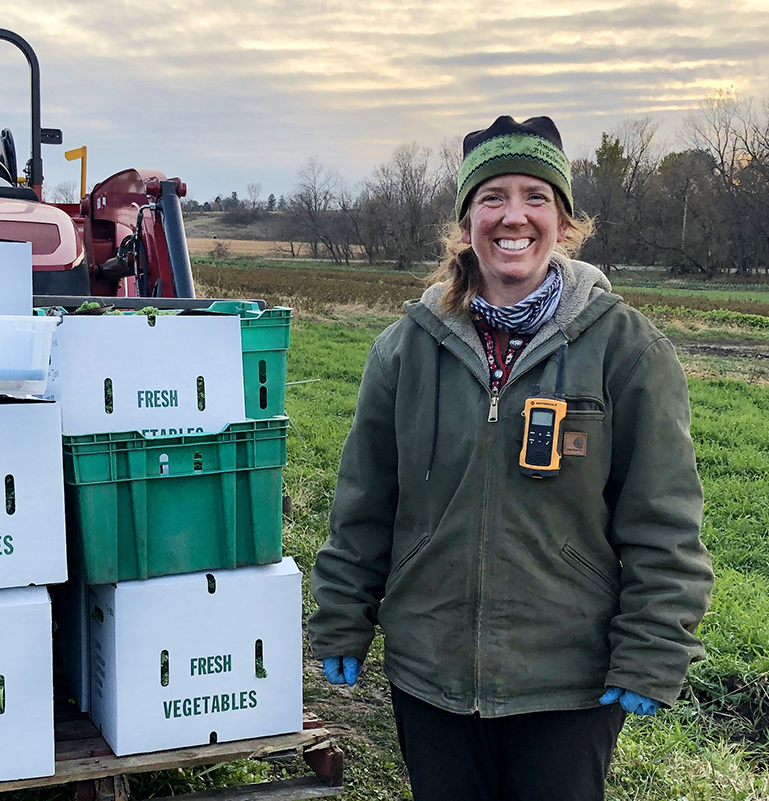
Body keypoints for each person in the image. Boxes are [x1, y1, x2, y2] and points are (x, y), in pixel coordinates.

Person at [306, 115, 714, 801]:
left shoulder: (625, 348)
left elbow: (665, 520)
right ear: (467, 222)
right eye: (492, 196)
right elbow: (364, 504)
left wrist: (652, 649)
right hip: (429, 671)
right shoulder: (404, 350)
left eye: (535, 196)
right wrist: (344, 612)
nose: (513, 216)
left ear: (562, 220)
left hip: (566, 678)